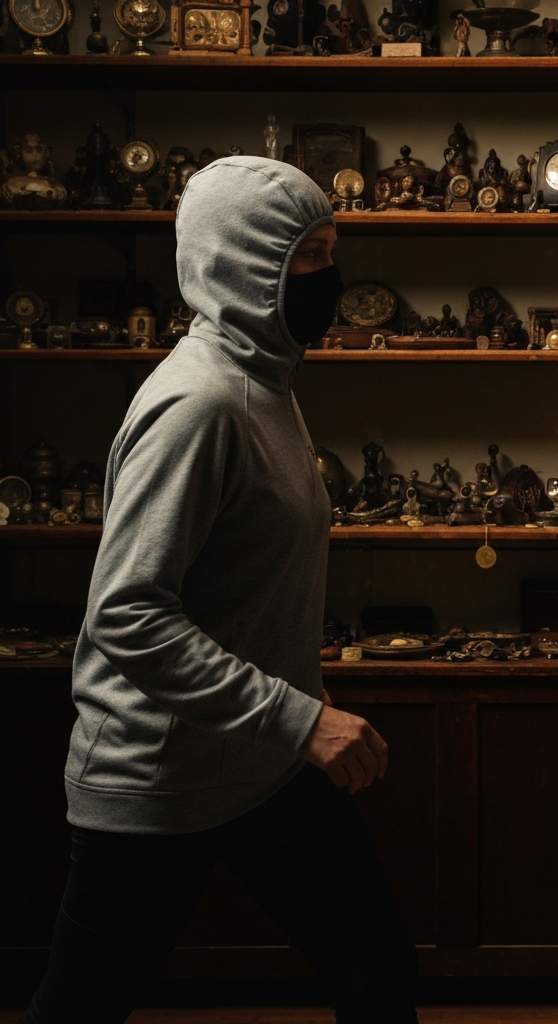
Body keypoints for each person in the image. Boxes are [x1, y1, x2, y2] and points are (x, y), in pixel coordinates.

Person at [21, 157, 418, 1024]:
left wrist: (294, 699)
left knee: (378, 976)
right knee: (79, 1009)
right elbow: (126, 613)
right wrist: (302, 717)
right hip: (161, 775)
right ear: (244, 268)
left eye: (331, 251)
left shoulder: (268, 380)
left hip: (259, 759)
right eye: (308, 257)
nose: (331, 278)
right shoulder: (200, 405)